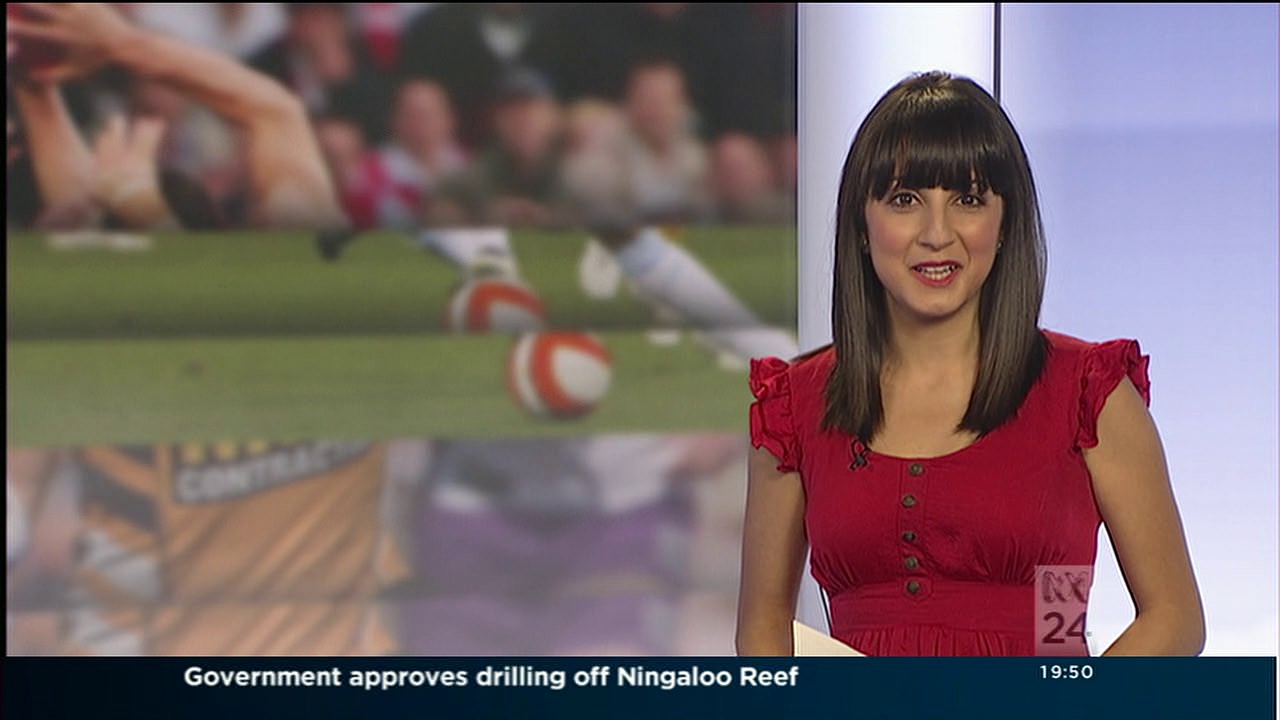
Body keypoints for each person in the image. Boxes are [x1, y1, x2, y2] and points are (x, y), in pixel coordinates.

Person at [736, 71, 1205, 656]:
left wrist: (1073, 699)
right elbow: (762, 630)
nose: (937, 234)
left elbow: (1174, 617)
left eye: (968, 199)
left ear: (1005, 224)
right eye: (904, 200)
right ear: (861, 224)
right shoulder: (793, 407)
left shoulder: (1089, 393)